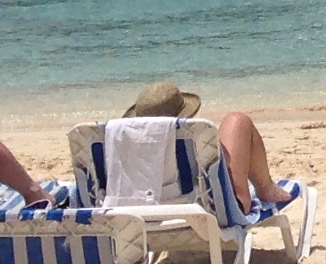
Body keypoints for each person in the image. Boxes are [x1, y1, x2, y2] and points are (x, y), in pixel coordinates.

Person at [126, 82, 299, 211]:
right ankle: (266, 188)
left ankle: (266, 187)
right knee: (237, 121)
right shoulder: (191, 144)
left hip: (141, 215)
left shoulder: (118, 148)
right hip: (213, 211)